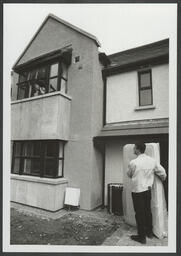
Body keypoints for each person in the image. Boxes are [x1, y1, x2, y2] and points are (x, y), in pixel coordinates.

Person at [127, 142, 167, 244]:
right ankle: (149, 232)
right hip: (147, 190)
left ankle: (141, 237)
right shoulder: (152, 161)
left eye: (134, 148)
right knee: (147, 211)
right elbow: (163, 173)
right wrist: (162, 180)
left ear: (137, 149)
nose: (133, 150)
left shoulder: (133, 162)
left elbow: (130, 175)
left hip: (137, 191)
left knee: (139, 213)